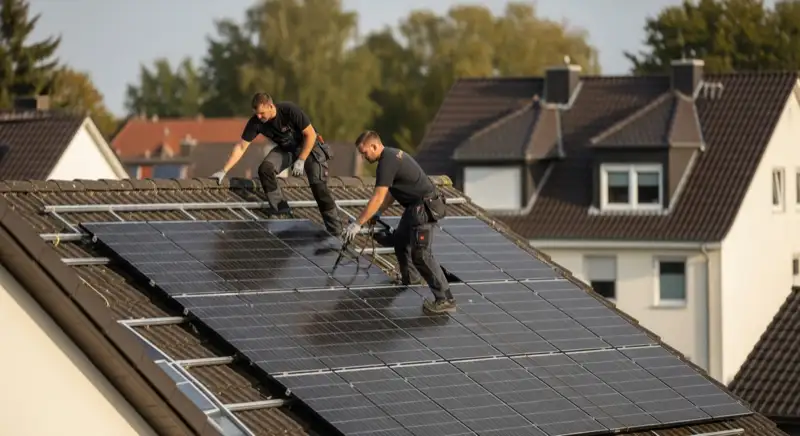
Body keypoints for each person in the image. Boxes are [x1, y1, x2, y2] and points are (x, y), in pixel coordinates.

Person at [341, 130, 455, 314]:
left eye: (364, 152)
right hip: (414, 209)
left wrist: (358, 223)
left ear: (374, 146)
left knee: (421, 255)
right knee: (400, 241)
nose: (363, 157)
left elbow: (378, 197)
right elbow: (391, 194)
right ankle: (411, 279)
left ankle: (445, 298)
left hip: (424, 208)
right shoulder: (391, 157)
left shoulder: (387, 161)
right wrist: (376, 214)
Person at [212, 93, 342, 236]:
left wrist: (302, 159)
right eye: (257, 114)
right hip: (287, 149)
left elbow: (310, 135)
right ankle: (281, 211)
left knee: (318, 185)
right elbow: (241, 147)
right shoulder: (256, 122)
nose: (259, 117)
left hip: (309, 147)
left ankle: (335, 230)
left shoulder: (289, 110)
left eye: (262, 113)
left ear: (271, 106)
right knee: (265, 169)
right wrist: (224, 170)